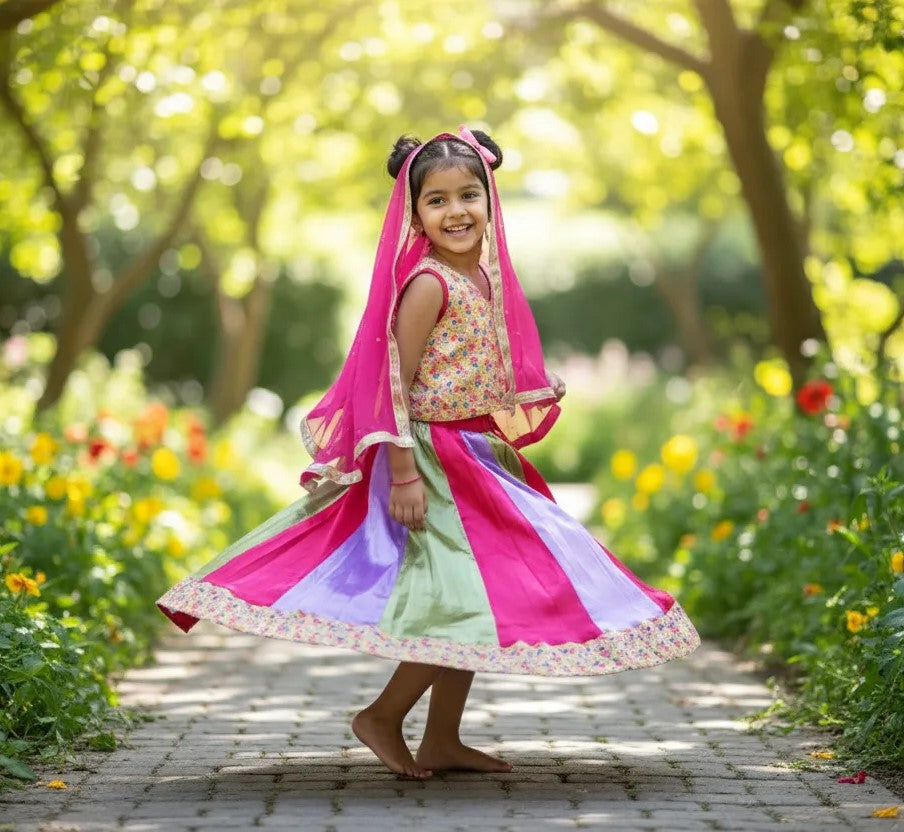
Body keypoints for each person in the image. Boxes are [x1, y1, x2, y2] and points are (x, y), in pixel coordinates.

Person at [157, 126, 700, 780]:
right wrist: (405, 474)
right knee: (460, 599)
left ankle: (443, 737)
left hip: (476, 454)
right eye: (436, 200)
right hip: (431, 459)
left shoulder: (487, 278)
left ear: (491, 197)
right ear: (414, 213)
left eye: (469, 194)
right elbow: (391, 382)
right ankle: (383, 715)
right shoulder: (428, 284)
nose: (456, 211)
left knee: (481, 590)